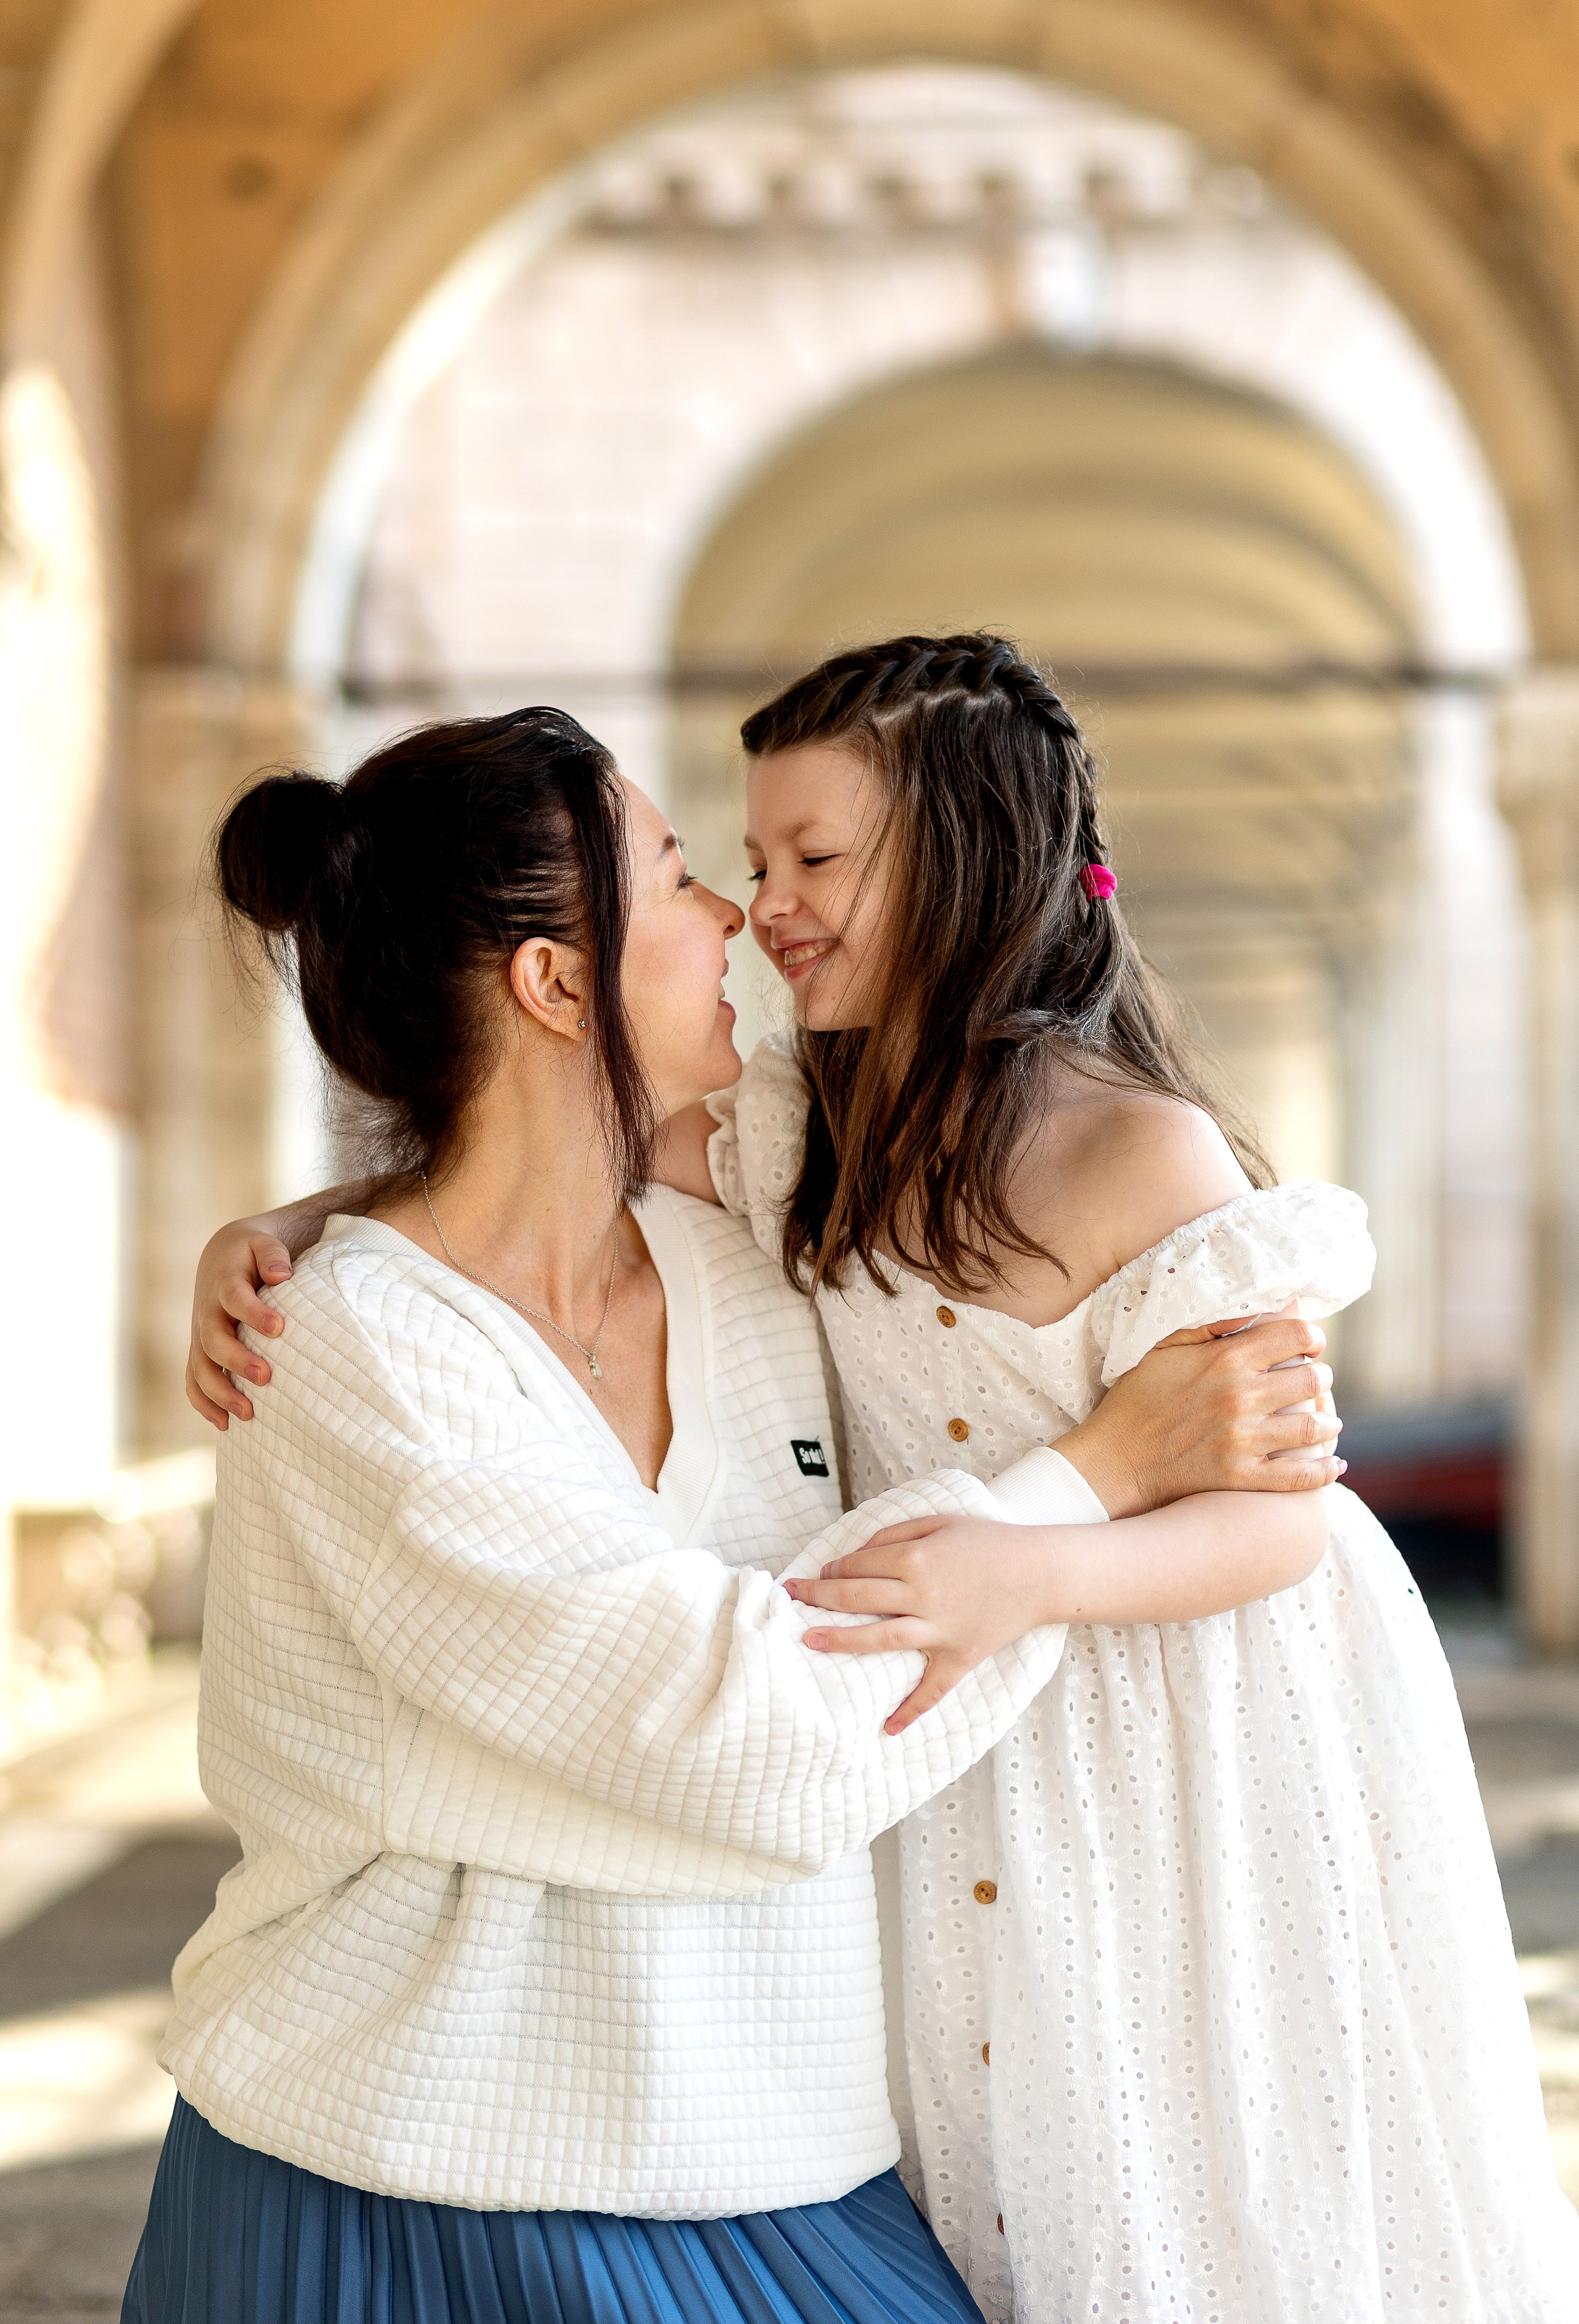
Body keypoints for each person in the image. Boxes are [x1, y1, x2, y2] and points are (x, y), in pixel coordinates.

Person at [149, 706, 1336, 2324]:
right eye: (682, 871)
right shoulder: (352, 1341)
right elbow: (740, 1730)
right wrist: (1098, 1478)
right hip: (403, 2166)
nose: (734, 920)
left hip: (784, 2155)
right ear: (556, 984)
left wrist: (297, 1208)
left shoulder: (747, 1255)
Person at [658, 632, 1573, 2324]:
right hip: (975, 1733)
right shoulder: (799, 1126)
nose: (769, 902)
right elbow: (529, 1161)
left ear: (966, 861)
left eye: (817, 859)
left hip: (1192, 1714)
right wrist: (287, 1237)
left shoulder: (1133, 1144)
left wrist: (1033, 1572)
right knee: (1008, 2146)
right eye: (754, 857)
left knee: (1201, 2150)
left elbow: (1282, 1511)